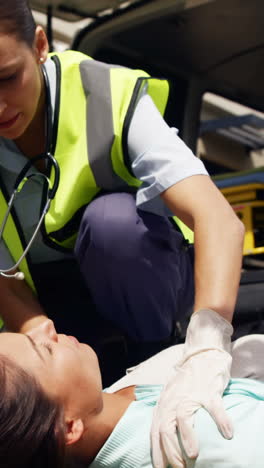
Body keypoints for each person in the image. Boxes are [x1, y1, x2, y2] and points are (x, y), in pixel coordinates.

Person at [0, 0, 245, 464]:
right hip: (52, 319)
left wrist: (206, 349)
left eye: (7, 78)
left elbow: (218, 221)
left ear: (38, 47)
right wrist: (37, 338)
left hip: (145, 296)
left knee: (114, 226)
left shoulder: (102, 93)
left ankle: (159, 359)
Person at [0, 319, 264, 468]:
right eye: (44, 350)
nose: (44, 326)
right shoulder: (204, 436)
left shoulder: (108, 401)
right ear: (68, 428)